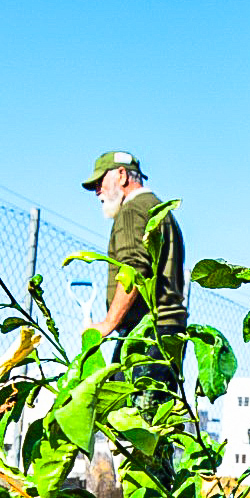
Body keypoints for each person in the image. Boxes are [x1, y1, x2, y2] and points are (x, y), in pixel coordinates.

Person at [82, 151, 187, 396]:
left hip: (145, 336)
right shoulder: (160, 209)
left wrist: (106, 325)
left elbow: (133, 270)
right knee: (159, 420)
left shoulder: (132, 211)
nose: (98, 191)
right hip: (169, 332)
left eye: (100, 182)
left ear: (121, 175)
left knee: (131, 422)